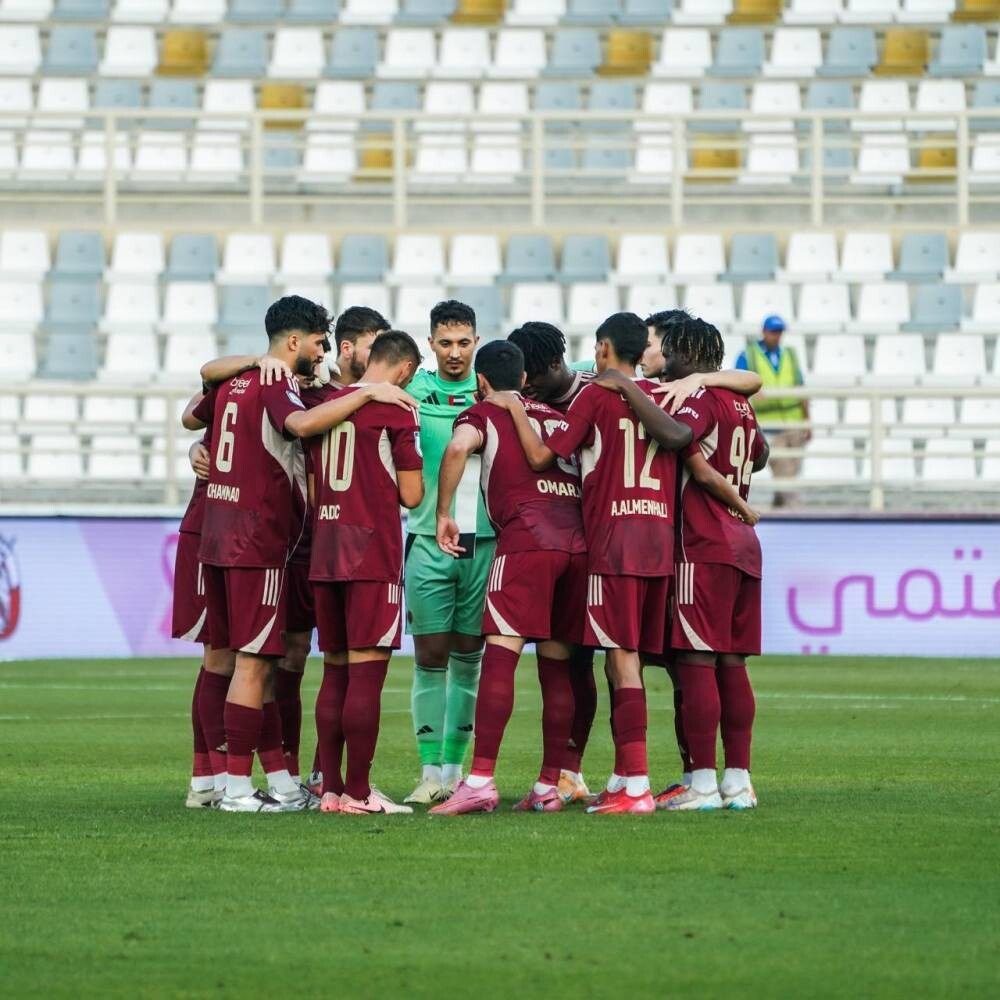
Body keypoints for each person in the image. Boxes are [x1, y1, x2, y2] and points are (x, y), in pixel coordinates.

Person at [192, 296, 415, 813]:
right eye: (320, 342)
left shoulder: (261, 380)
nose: (322, 352)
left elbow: (193, 412)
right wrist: (368, 395)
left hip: (237, 535)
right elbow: (296, 427)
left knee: (261, 658)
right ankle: (237, 786)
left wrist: (198, 443)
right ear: (298, 342)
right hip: (270, 540)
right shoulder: (287, 385)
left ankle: (275, 780)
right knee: (258, 661)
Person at [427, 341, 587, 816]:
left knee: (501, 653)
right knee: (558, 665)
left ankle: (478, 781)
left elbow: (458, 448)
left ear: (482, 381)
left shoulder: (484, 412)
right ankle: (546, 786)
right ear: (522, 379)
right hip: (578, 543)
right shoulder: (558, 417)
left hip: (527, 540)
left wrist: (442, 513)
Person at [309, 330, 424, 816]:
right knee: (366, 676)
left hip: (325, 547)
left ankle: (331, 790)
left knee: (334, 672)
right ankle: (360, 791)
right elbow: (413, 494)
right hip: (371, 552)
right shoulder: (396, 409)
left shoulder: (328, 405)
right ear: (403, 370)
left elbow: (315, 488)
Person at [663, 316, 769, 811]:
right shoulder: (741, 403)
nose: (665, 362)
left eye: (669, 352)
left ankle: (702, 784)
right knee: (732, 661)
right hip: (744, 543)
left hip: (703, 542)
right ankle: (738, 781)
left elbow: (680, 439)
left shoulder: (699, 399)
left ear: (686, 354)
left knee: (697, 660)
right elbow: (762, 455)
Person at [403, 301, 495, 805]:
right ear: (430, 343)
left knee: (469, 657)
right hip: (426, 541)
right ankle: (430, 771)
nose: (455, 352)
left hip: (484, 543)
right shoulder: (414, 391)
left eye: (464, 342)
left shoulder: (496, 390)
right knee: (429, 657)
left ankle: (457, 770)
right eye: (445, 342)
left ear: (476, 342)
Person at [505, 321, 597, 805]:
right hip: (555, 540)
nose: (528, 386)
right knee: (557, 662)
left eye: (535, 377)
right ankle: (564, 774)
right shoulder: (530, 394)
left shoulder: (592, 391)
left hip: (593, 541)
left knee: (583, 663)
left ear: (558, 366)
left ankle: (574, 769)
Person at [735, 314, 808, 506]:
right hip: (768, 424)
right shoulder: (748, 355)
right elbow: (736, 383)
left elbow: (801, 387)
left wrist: (807, 420)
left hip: (794, 421)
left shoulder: (789, 355)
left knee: (791, 469)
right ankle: (795, 510)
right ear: (764, 331)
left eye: (779, 332)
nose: (776, 335)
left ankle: (779, 504)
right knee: (784, 470)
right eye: (773, 331)